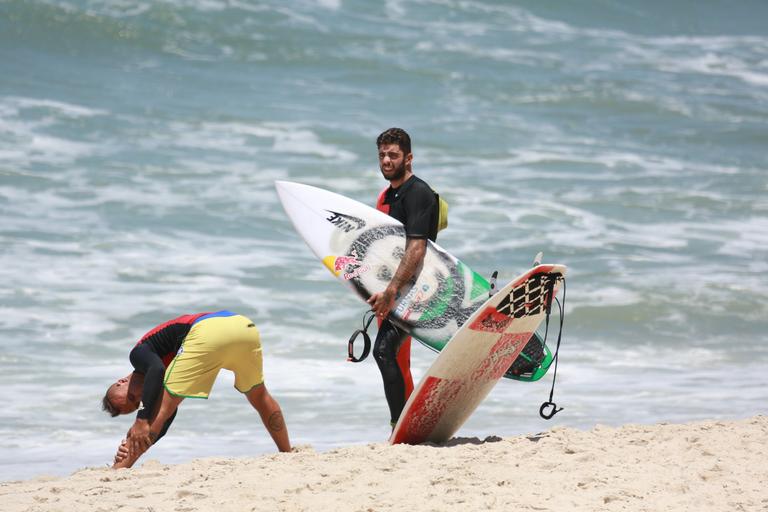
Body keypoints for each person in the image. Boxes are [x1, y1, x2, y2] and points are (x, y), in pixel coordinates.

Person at [102, 310, 291, 469]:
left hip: (207, 330)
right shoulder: (166, 382)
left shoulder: (138, 354)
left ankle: (118, 470)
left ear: (121, 382)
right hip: (244, 327)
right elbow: (164, 422)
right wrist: (138, 439)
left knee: (160, 413)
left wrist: (142, 420)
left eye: (133, 396)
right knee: (259, 395)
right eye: (137, 404)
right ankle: (287, 454)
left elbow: (156, 371)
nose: (142, 399)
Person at [367, 127, 439, 428]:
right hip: (394, 290)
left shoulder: (418, 193)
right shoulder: (389, 194)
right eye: (382, 154)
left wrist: (392, 290)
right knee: (394, 357)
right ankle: (408, 423)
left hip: (417, 289)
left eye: (393, 155)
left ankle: (400, 425)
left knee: (384, 351)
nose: (386, 160)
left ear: (408, 158)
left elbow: (416, 249)